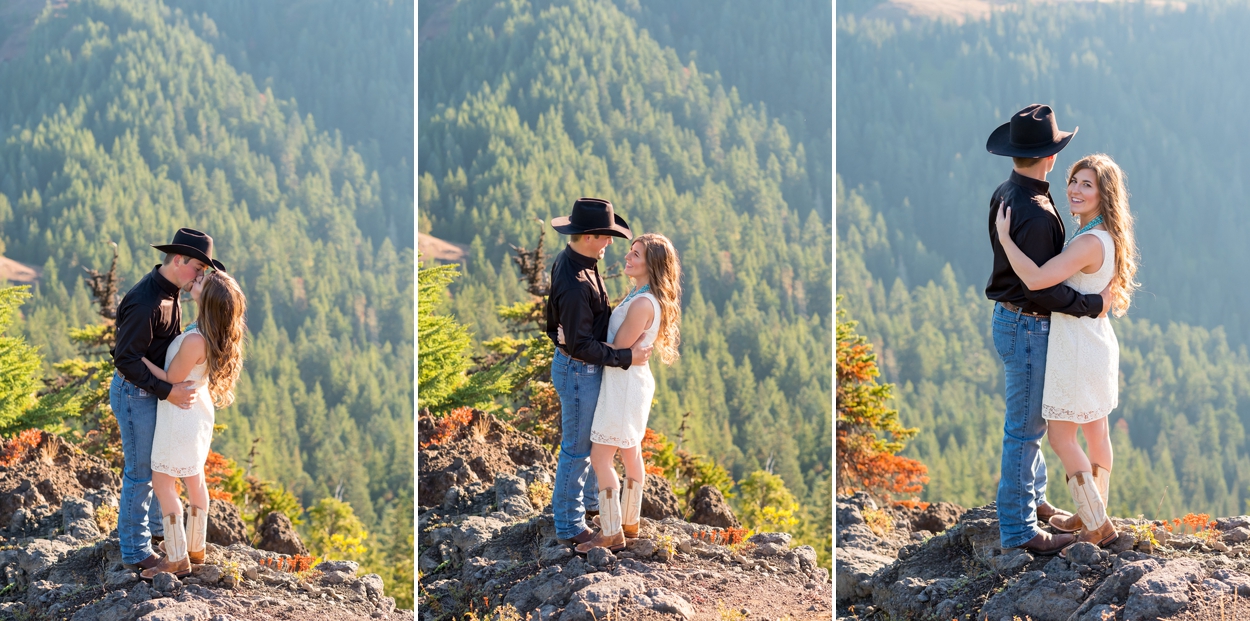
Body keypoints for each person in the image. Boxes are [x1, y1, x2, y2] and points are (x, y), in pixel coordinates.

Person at [984, 105, 1112, 556]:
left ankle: (1034, 499)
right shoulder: (1037, 211)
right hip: (1028, 322)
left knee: (1030, 423)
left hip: (1013, 320)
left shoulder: (1008, 192)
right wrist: (1091, 305)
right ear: (1051, 157)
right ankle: (1019, 530)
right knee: (1025, 429)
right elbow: (1040, 288)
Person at [995, 153, 1138, 552]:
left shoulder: (1090, 240)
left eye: (1086, 184)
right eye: (1074, 180)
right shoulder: (1103, 232)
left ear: (1103, 193)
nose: (1075, 189)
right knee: (1096, 431)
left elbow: (1039, 279)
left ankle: (1096, 525)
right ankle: (1091, 510)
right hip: (1095, 341)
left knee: (1060, 437)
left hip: (1075, 347)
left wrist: (1005, 239)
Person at [545, 198, 653, 547]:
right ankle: (569, 526)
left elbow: (559, 323)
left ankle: (592, 505)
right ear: (589, 236)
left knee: (590, 443)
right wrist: (626, 356)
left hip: (578, 366)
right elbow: (580, 346)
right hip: (578, 371)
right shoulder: (577, 281)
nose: (611, 243)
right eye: (607, 236)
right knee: (577, 450)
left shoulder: (576, 261)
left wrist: (561, 336)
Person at [110, 229, 217, 570]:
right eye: (197, 268)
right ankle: (136, 552)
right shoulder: (146, 302)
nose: (200, 276)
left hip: (151, 392)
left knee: (159, 466)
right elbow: (126, 360)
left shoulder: (171, 293)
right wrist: (168, 391)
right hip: (135, 393)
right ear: (177, 259)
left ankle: (159, 533)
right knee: (141, 473)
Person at [576, 233, 682, 553]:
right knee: (631, 452)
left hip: (623, 384)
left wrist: (578, 344)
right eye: (630, 251)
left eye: (635, 254)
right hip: (632, 381)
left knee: (601, 456)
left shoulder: (641, 303)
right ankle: (628, 522)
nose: (627, 257)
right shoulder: (643, 295)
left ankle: (610, 532)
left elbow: (620, 348)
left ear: (652, 264)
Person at [140, 269, 247, 578]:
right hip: (198, 412)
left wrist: (136, 359)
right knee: (195, 478)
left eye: (201, 281)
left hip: (179, 416)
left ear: (209, 299)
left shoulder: (196, 340)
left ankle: (176, 558)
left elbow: (171, 379)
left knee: (162, 482)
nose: (196, 278)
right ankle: (195, 548)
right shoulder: (210, 332)